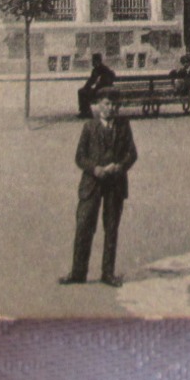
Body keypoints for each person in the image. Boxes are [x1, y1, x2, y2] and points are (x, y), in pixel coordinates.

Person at [60, 92, 138, 287]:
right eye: (106, 103)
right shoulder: (89, 127)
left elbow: (132, 153)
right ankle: (78, 272)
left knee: (111, 228)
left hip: (115, 183)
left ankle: (108, 273)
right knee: (84, 226)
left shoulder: (123, 125)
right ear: (98, 105)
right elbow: (80, 156)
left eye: (114, 104)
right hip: (92, 184)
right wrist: (95, 168)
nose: (110, 108)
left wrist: (120, 166)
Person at [77, 52, 117, 118]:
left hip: (101, 91)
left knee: (82, 92)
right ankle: (85, 111)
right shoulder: (104, 68)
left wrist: (86, 87)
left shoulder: (99, 69)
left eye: (93, 61)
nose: (92, 62)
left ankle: (86, 112)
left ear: (96, 61)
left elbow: (92, 81)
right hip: (104, 90)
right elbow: (92, 81)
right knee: (83, 91)